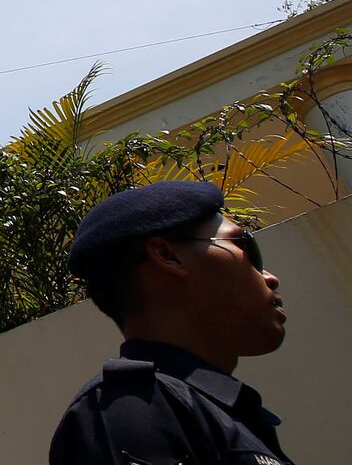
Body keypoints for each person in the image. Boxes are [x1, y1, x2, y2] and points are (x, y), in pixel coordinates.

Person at [50, 180, 293, 465]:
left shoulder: (213, 410)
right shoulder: (130, 411)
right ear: (167, 255)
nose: (270, 277)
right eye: (246, 246)